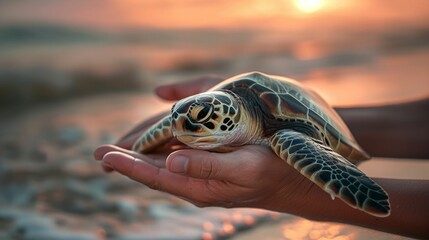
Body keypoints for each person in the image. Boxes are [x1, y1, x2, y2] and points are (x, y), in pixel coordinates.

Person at [93, 75, 429, 239]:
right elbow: (176, 121)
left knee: (291, 144)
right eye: (178, 119)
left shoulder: (287, 136)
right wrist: (168, 128)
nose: (182, 128)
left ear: (232, 117)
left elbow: (297, 140)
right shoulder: (189, 117)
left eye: (200, 120)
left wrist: (293, 191)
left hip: (304, 133)